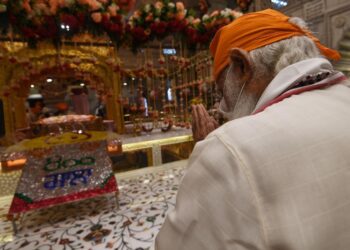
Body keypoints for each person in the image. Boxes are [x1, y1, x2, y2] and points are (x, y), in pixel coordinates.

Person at [155, 9, 350, 250]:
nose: (223, 108)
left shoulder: (231, 149)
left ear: (241, 65)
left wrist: (214, 156)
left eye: (222, 92)